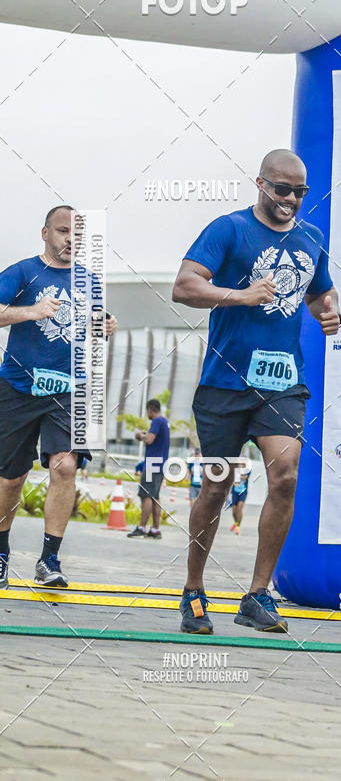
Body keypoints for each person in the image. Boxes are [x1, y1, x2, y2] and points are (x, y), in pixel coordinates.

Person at [172, 148, 341, 634]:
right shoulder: (229, 228)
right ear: (261, 184)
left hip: (282, 382)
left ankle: (257, 595)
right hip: (224, 382)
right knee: (217, 485)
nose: (291, 199)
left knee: (285, 474)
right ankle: (193, 590)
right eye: (282, 189)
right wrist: (241, 295)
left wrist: (329, 311)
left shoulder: (312, 239)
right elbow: (184, 287)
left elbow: (319, 292)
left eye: (300, 192)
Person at [0, 205, 118, 589]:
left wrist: (105, 326)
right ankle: (1, 553)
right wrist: (31, 311)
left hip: (69, 391)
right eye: (64, 231)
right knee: (10, 480)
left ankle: (49, 559)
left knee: (65, 467)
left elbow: (92, 326)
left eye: (78, 235)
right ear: (45, 233)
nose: (71, 240)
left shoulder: (91, 281)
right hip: (18, 387)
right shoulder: (22, 272)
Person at [127, 399, 170, 540]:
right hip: (161, 463)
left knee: (145, 496)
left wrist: (139, 435)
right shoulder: (165, 422)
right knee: (155, 497)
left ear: (150, 409)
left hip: (152, 464)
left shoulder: (157, 421)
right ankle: (155, 529)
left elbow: (150, 439)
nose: (148, 414)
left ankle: (141, 528)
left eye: (147, 411)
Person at [229, 466, 251, 535]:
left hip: (243, 492)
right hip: (235, 492)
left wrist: (238, 475)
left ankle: (238, 527)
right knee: (234, 511)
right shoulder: (235, 469)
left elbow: (245, 477)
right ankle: (236, 523)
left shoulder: (248, 470)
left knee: (239, 509)